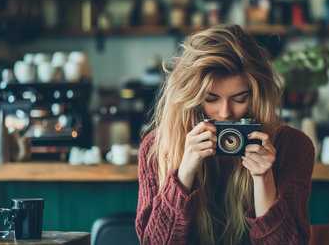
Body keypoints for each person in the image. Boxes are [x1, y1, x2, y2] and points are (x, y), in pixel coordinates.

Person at [135, 24, 315, 244]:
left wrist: (263, 178)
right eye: (211, 99)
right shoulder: (157, 147)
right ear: (191, 98)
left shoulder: (293, 146)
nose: (225, 112)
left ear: (258, 96)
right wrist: (184, 173)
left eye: (240, 99)